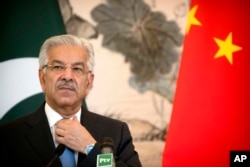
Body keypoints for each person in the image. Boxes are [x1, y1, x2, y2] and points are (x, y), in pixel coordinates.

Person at [0, 34, 142, 167]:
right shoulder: (9, 137)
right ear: (42, 78)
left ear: (88, 82)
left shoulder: (116, 131)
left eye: (77, 69)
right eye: (58, 67)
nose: (67, 76)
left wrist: (91, 149)